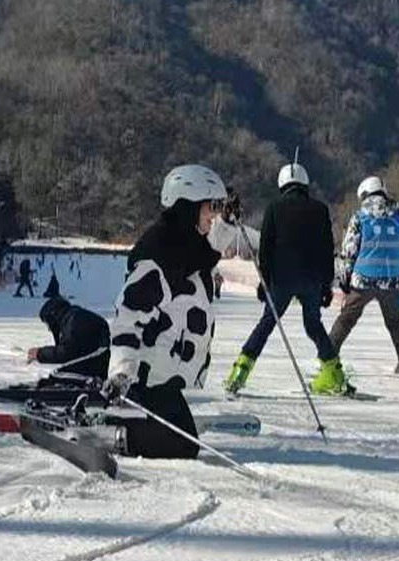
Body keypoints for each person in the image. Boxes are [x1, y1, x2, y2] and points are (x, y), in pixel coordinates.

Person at [102, 163, 230, 459]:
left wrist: (230, 221)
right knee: (183, 447)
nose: (215, 215)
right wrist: (122, 371)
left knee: (182, 437)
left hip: (167, 380)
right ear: (187, 206)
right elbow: (127, 317)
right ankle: (112, 433)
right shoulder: (159, 255)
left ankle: (143, 423)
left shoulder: (189, 247)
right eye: (210, 207)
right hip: (146, 380)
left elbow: (210, 249)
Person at [224, 162, 346, 395]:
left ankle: (240, 371)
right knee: (314, 326)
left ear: (282, 184)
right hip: (311, 280)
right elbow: (326, 248)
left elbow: (266, 248)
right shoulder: (320, 209)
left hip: (281, 279)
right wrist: (327, 284)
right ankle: (334, 374)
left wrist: (265, 281)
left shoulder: (274, 208)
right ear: (305, 183)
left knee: (267, 323)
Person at [329, 176, 399, 377]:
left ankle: (327, 356)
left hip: (363, 279)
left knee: (346, 319)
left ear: (365, 194)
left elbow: (350, 249)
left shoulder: (360, 217)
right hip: (392, 279)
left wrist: (344, 277)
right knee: (395, 323)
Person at [27, 296, 110, 380]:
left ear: (53, 316)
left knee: (57, 376)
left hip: (95, 364)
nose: (49, 328)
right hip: (98, 361)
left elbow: (67, 352)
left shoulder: (74, 321)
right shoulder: (74, 317)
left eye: (48, 323)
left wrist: (40, 353)